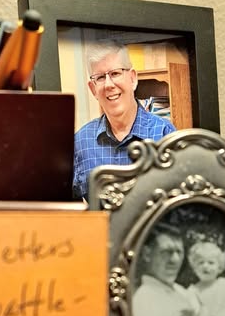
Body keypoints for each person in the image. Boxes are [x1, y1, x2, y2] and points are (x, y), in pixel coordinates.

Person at [73, 41, 177, 201]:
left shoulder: (164, 134)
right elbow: (67, 209)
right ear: (93, 89)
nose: (109, 84)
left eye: (115, 73)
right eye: (100, 77)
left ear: (133, 78)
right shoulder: (80, 143)